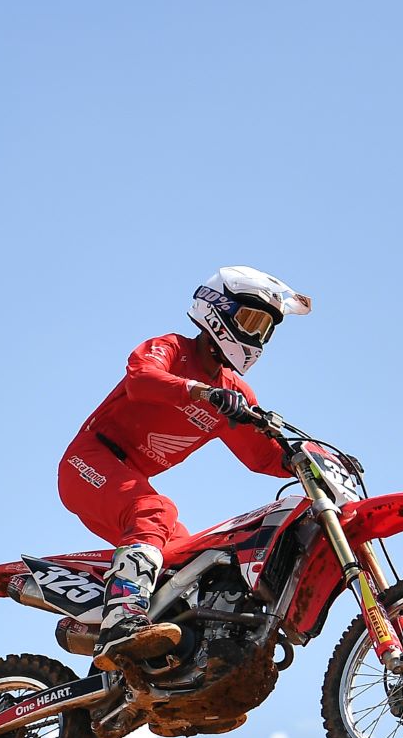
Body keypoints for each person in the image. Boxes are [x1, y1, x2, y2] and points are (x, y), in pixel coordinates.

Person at [58, 266, 313, 671]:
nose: (257, 337)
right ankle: (121, 620)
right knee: (156, 511)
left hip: (128, 480)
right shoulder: (172, 348)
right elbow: (142, 379)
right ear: (217, 310)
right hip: (89, 462)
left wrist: (306, 461)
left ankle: (161, 661)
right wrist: (199, 391)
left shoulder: (233, 392)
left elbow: (261, 456)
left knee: (194, 562)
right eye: (251, 321)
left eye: (265, 329)